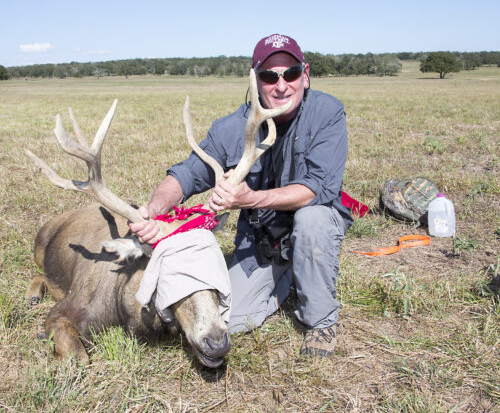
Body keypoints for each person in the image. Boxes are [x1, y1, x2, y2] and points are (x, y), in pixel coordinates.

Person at [130, 33, 352, 357]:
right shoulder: (232, 127)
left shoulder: (327, 113)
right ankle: (286, 276)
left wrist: (249, 199)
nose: (281, 85)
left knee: (312, 220)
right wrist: (154, 209)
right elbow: (188, 173)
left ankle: (320, 321)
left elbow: (316, 188)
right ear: (255, 80)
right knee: (228, 321)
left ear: (305, 74)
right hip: (263, 236)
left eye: (290, 73)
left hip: (313, 216)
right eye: (268, 76)